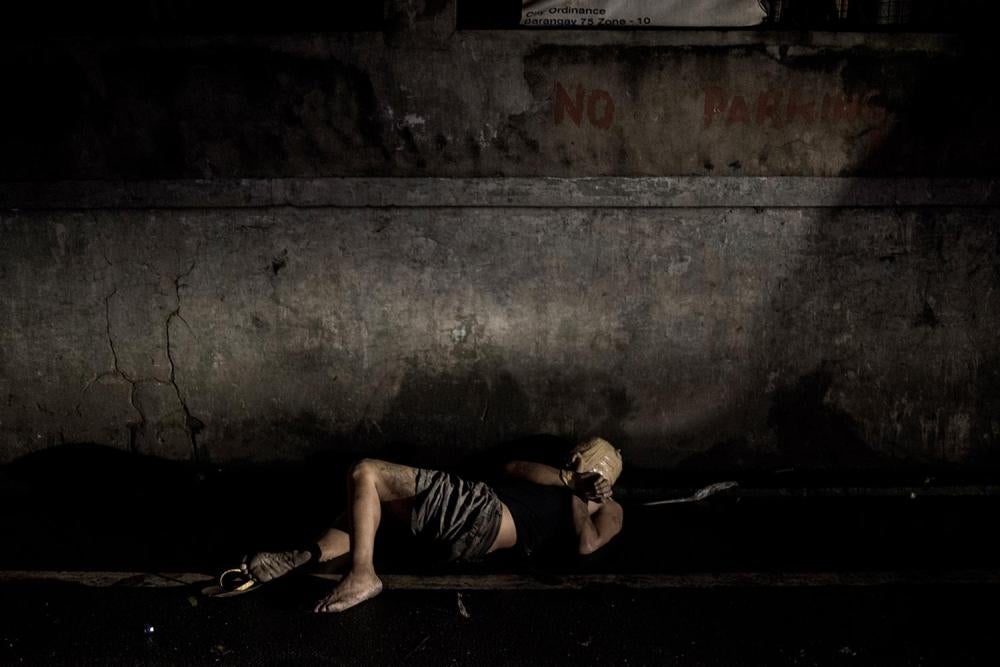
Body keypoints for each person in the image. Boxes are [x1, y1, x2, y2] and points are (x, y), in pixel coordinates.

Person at [243, 436, 624, 613]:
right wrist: (570, 480)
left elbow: (587, 544)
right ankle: (306, 555)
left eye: (580, 460)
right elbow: (512, 468)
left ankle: (363, 574)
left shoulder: (610, 508)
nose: (573, 461)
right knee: (370, 509)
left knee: (366, 472)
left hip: (481, 513)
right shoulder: (557, 476)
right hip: (472, 519)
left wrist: (580, 495)